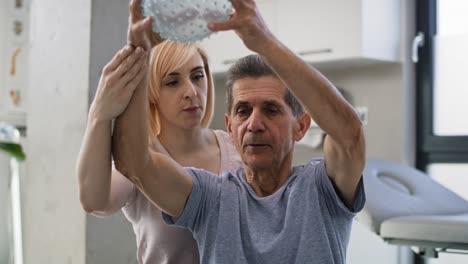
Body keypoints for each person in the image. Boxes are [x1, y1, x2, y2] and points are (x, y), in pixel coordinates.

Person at [113, 0, 366, 263]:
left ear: (300, 126)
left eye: (271, 110)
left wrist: (264, 41)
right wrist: (138, 57)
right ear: (230, 128)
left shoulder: (321, 188)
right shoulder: (210, 197)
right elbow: (134, 162)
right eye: (243, 111)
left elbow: (350, 136)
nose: (254, 124)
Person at [77, 27, 241, 264]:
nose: (191, 92)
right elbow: (94, 201)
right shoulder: (140, 161)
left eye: (197, 76)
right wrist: (99, 115)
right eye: (172, 82)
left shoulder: (236, 147)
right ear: (151, 92)